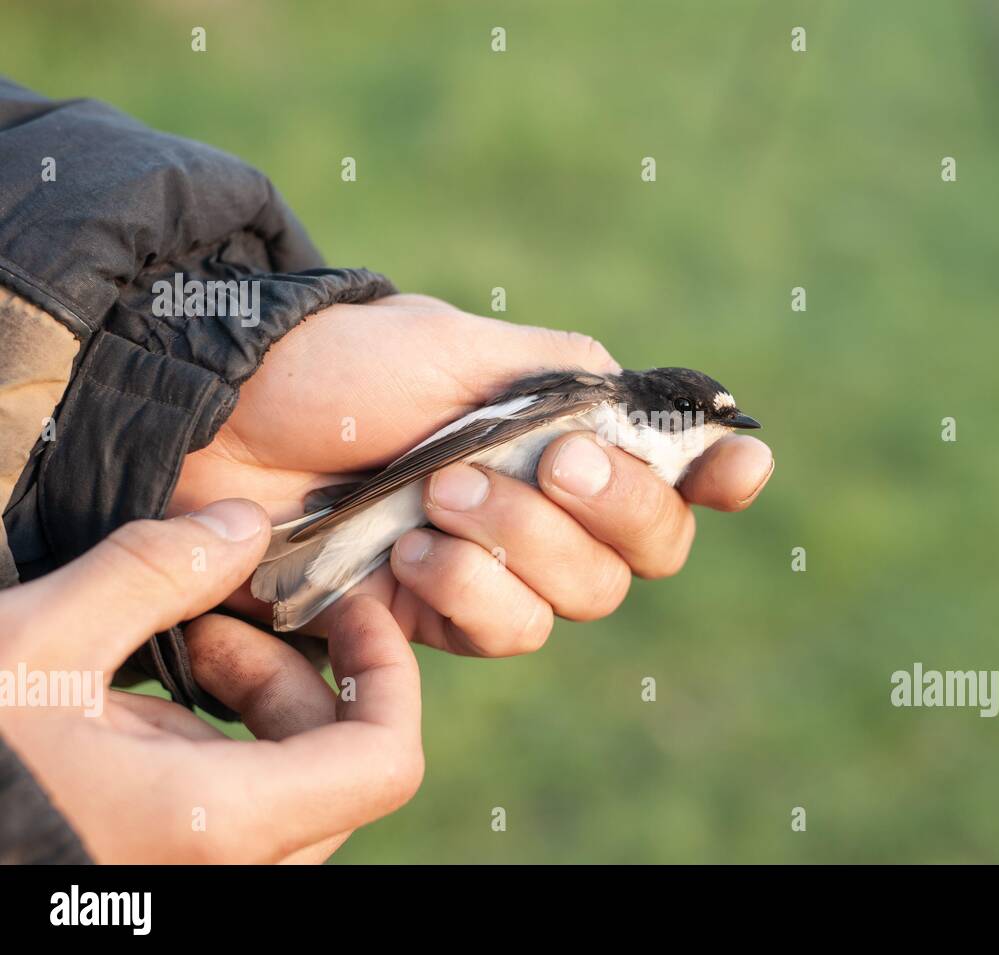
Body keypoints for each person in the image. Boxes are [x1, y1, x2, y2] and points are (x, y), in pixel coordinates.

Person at [0, 78, 772, 862]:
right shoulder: (592, 397)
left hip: (379, 522)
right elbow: (471, 431)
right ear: (658, 404)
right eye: (703, 415)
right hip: (384, 496)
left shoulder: (635, 450)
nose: (719, 430)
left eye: (722, 421)